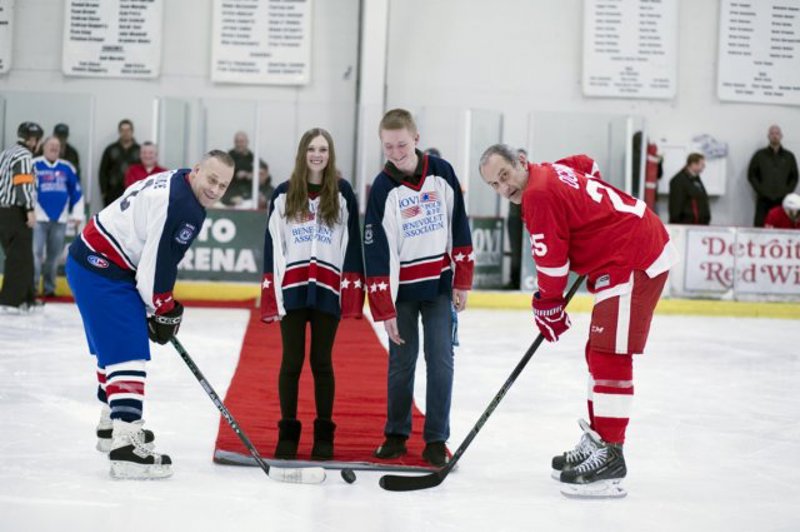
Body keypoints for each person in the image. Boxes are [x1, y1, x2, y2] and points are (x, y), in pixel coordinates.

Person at [478, 144, 678, 498]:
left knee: (610, 355)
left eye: (505, 176)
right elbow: (588, 164)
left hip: (634, 255)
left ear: (521, 161)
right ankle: (600, 441)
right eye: (494, 184)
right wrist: (592, 218)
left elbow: (552, 263)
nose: (504, 188)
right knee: (597, 353)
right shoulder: (550, 171)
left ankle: (611, 455)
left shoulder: (537, 194)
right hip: (624, 252)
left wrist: (548, 305)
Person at [66, 151, 234, 479]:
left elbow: (152, 256)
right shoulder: (183, 205)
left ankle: (111, 426)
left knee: (113, 349)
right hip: (101, 267)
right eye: (211, 179)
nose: (215, 189)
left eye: (223, 185)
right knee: (127, 351)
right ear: (197, 170)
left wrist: (157, 307)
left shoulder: (182, 183)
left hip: (93, 260)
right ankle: (126, 446)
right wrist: (163, 307)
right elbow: (156, 267)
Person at [364, 109, 474, 467]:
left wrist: (462, 278)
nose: (395, 152)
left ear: (416, 138)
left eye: (401, 144)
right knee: (401, 363)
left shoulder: (442, 173)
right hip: (402, 294)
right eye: (388, 146)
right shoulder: (383, 187)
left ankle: (436, 439)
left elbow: (459, 224)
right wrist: (384, 306)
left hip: (439, 287)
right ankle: (396, 435)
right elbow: (376, 251)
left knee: (441, 361)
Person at [260, 128, 364, 460]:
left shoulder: (343, 193)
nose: (317, 155)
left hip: (327, 289)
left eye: (323, 149)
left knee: (321, 362)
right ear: (302, 153)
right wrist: (272, 291)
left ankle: (324, 435)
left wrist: (350, 289)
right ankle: (288, 433)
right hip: (292, 288)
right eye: (311, 149)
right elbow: (273, 244)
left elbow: (352, 242)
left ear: (330, 154)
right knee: (291, 361)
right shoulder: (283, 193)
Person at [32, 136, 84, 297]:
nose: (54, 148)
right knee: (35, 254)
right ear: (44, 147)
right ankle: (32, 288)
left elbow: (76, 192)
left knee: (54, 256)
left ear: (60, 149)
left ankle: (49, 289)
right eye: (51, 145)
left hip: (60, 219)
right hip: (38, 218)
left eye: (57, 145)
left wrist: (77, 214)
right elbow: (28, 190)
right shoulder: (34, 164)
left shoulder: (67, 167)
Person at [0, 122, 44, 312]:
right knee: (19, 257)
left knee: (22, 255)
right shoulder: (24, 156)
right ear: (33, 140)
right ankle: (11, 301)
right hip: (15, 211)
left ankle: (27, 298)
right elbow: (22, 183)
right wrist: (29, 209)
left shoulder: (6, 153)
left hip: (3, 211)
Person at [748, 125, 798, 227]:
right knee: (760, 228)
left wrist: (787, 192)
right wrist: (761, 190)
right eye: (772, 133)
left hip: (783, 201)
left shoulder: (789, 156)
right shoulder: (760, 155)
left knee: (782, 228)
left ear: (781, 136)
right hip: (764, 201)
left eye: (777, 133)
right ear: (768, 136)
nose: (775, 136)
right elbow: (751, 175)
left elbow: (794, 177)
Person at [99, 119, 140, 206]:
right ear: (119, 132)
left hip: (133, 192)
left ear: (132, 131)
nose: (125, 133)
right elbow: (103, 171)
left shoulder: (139, 150)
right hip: (113, 193)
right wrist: (104, 192)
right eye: (123, 130)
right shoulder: (110, 149)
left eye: (128, 130)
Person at [668, 153, 710, 225]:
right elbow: (676, 205)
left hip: (699, 224)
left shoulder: (696, 178)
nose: (704, 167)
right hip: (686, 224)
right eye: (702, 165)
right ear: (693, 164)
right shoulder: (678, 180)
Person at [223, 131, 260, 207]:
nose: (239, 144)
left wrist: (251, 175)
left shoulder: (252, 157)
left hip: (248, 194)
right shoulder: (228, 157)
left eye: (242, 142)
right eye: (237, 142)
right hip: (231, 193)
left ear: (247, 142)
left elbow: (263, 173)